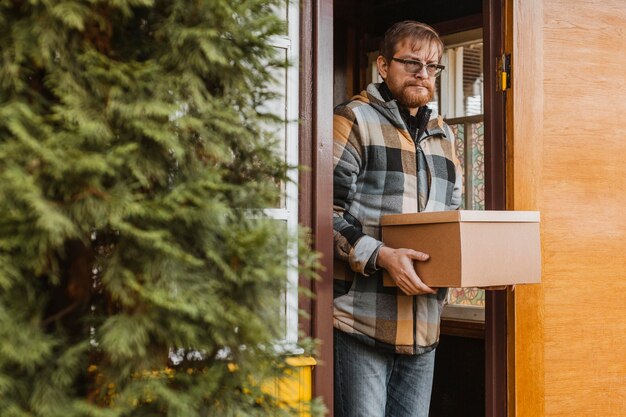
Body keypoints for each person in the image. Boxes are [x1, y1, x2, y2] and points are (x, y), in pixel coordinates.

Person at [332, 21, 463, 417]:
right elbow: (322, 213)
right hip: (362, 323)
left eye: (432, 66)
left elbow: (453, 220)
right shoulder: (352, 119)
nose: (423, 74)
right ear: (383, 66)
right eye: (411, 63)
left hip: (424, 327)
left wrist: (482, 260)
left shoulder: (444, 135)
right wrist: (382, 255)